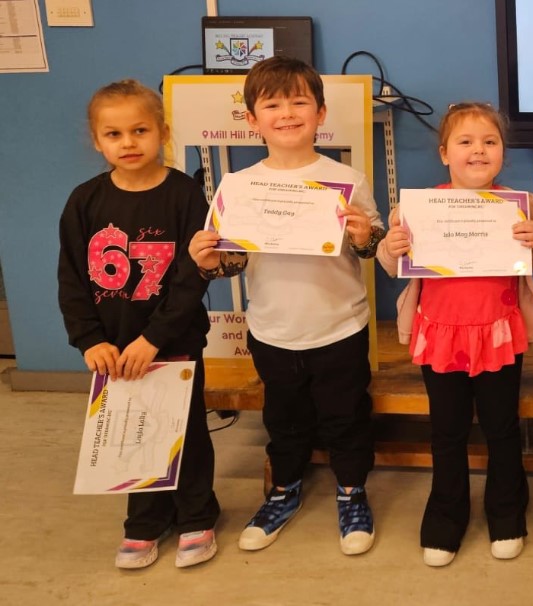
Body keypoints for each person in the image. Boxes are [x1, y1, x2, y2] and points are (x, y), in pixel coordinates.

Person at [188, 56, 384, 556]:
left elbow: (371, 249)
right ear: (251, 119)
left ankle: (352, 492)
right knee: (283, 419)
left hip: (340, 326)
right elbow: (232, 262)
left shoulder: (348, 179)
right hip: (273, 329)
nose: (287, 113)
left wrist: (365, 235)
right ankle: (283, 490)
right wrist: (209, 262)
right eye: (272, 105)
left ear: (321, 113)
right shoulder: (238, 186)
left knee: (347, 417)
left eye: (299, 102)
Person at [379, 101, 533, 567]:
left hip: (499, 335)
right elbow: (391, 263)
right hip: (441, 336)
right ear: (444, 153)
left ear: (502, 153)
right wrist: (391, 247)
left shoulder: (516, 205)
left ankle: (507, 513)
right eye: (465, 141)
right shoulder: (417, 208)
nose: (478, 150)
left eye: (489, 141)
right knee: (447, 432)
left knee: (502, 429)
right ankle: (445, 518)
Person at [58, 79, 221, 569]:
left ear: (163, 133)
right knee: (132, 432)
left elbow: (192, 278)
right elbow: (71, 276)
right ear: (97, 140)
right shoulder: (84, 201)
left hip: (173, 341)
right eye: (114, 134)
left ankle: (197, 515)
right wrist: (89, 340)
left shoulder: (185, 195)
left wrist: (154, 338)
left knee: (185, 432)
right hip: (113, 348)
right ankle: (146, 521)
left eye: (140, 130)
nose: (128, 143)